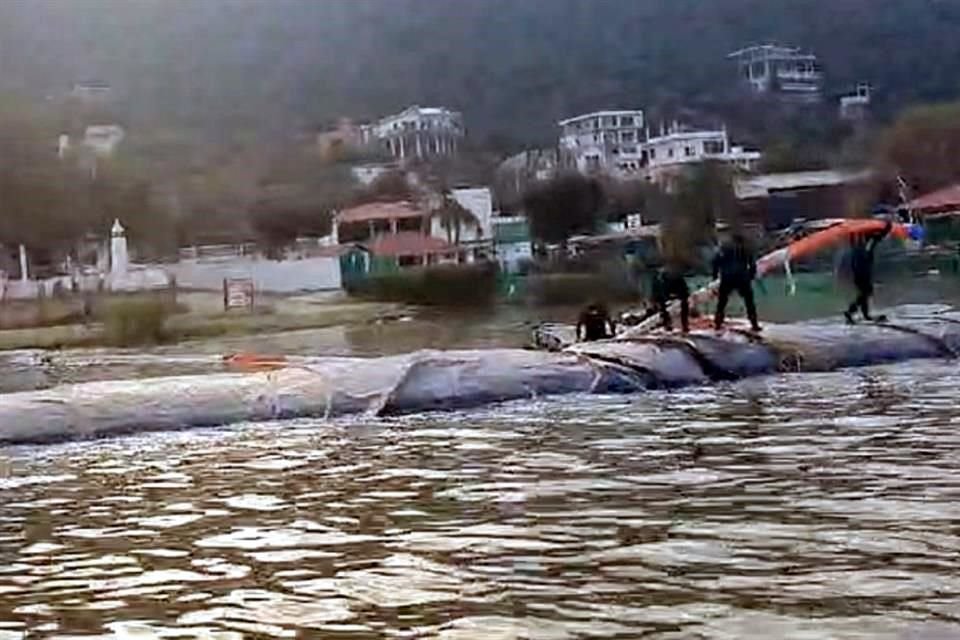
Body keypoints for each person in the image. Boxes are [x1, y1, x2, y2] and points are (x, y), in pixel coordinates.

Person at [844, 219, 893, 324]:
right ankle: (851, 311)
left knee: (864, 293)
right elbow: (877, 238)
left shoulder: (858, 245)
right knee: (865, 292)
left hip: (859, 270)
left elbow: (876, 238)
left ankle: (863, 314)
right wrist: (887, 228)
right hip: (862, 270)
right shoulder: (866, 244)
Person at [712, 231, 762, 332]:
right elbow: (752, 264)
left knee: (722, 302)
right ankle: (754, 324)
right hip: (741, 277)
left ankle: (718, 323)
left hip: (727, 277)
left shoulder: (724, 248)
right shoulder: (744, 249)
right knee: (749, 302)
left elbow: (715, 262)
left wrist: (715, 276)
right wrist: (751, 276)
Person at [651, 263, 690, 333]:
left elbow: (685, 293)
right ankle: (667, 323)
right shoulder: (658, 280)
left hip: (676, 289)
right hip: (665, 292)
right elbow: (658, 295)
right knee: (662, 305)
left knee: (684, 303)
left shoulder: (677, 279)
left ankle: (684, 324)